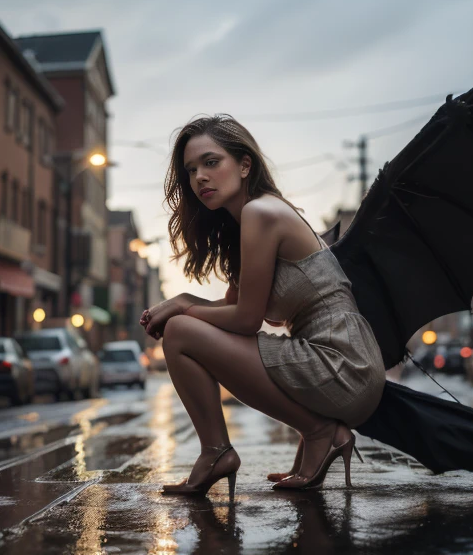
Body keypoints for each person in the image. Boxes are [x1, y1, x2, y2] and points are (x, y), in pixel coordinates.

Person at [140, 115, 385, 498]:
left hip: (343, 363)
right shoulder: (245, 224)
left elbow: (246, 320)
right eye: (191, 170)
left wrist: (182, 304)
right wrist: (183, 309)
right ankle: (227, 449)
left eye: (211, 162)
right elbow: (227, 316)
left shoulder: (261, 213)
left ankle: (313, 433)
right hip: (333, 358)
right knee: (183, 331)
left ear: (244, 164)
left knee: (182, 330)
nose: (200, 177)